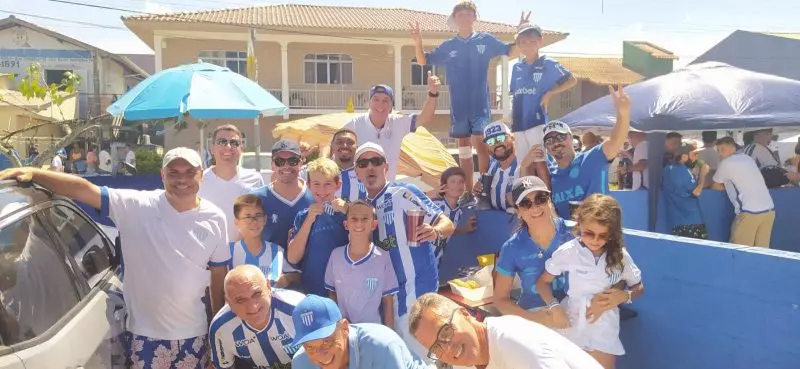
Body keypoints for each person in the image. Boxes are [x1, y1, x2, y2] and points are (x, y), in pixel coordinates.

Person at [0, 147, 231, 368]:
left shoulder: (215, 218)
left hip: (196, 335)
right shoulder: (135, 205)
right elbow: (85, 190)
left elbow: (219, 277)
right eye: (174, 172)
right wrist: (36, 173)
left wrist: (217, 331)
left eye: (190, 172)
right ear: (162, 175)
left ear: (201, 174)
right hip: (144, 337)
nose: (183, 179)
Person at [412, 2, 526, 191]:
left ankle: (485, 189)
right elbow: (423, 60)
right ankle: (467, 192)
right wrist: (417, 41)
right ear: (455, 19)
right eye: (460, 15)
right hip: (459, 106)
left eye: (468, 14)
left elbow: (510, 50)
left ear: (474, 17)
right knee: (464, 148)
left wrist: (520, 31)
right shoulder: (449, 46)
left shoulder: (485, 40)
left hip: (480, 104)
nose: (464, 18)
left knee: (482, 146)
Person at [354, 142, 455, 355]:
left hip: (416, 291)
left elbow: (446, 223)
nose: (370, 167)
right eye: (363, 163)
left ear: (386, 167)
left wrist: (435, 231)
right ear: (357, 171)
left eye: (376, 161)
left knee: (423, 358)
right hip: (386, 299)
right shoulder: (361, 207)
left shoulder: (404, 192)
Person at [536, 194, 644, 369]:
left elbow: (638, 286)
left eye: (603, 236)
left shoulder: (620, 256)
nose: (595, 240)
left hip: (604, 328)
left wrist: (623, 296)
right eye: (589, 233)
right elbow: (542, 283)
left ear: (612, 233)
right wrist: (554, 307)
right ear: (579, 225)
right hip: (571, 323)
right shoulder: (569, 252)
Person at [409, 293, 603, 369]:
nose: (447, 349)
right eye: (436, 347)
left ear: (465, 313)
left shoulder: (514, 341)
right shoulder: (464, 361)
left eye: (445, 332)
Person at [494, 176, 574, 320]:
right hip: (532, 313)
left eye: (540, 199)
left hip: (572, 310)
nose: (535, 207)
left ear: (549, 201)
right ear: (518, 211)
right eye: (526, 203)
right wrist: (535, 317)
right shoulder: (512, 247)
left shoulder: (575, 233)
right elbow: (500, 300)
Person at [545, 86, 631, 218]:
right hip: (568, 238)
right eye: (549, 141)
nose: (556, 143)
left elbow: (615, 140)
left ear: (570, 137)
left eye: (560, 137)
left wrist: (623, 115)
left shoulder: (592, 158)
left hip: (598, 235)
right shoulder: (549, 175)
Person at [509, 21, 575, 185]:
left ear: (540, 41)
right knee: (524, 163)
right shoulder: (516, 67)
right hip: (518, 123)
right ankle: (527, 201)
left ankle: (547, 200)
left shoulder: (548, 63)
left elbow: (572, 80)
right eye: (523, 42)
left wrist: (551, 93)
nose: (528, 45)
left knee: (540, 161)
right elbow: (515, 94)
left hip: (537, 121)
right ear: (519, 45)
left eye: (532, 41)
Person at [342, 75, 440, 181]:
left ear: (391, 107)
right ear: (369, 103)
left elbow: (424, 118)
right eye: (376, 99)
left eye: (385, 100)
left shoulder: (398, 122)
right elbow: (334, 145)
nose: (381, 104)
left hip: (387, 189)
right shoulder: (354, 124)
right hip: (360, 190)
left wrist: (433, 93)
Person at [291, 295, 428, 369]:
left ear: (345, 328)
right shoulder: (300, 363)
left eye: (327, 342)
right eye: (310, 348)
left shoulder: (382, 346)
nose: (320, 355)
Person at [209, 265, 305, 369]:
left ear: (268, 287)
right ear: (229, 302)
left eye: (257, 294)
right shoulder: (220, 329)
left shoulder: (299, 309)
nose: (252, 307)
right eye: (240, 300)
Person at [325, 200, 399, 327]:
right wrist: (337, 323)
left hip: (372, 331)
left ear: (374, 224)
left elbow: (387, 301)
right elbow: (332, 293)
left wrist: (389, 334)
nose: (359, 223)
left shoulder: (382, 257)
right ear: (346, 224)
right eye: (354, 218)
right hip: (344, 330)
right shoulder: (336, 255)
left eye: (365, 218)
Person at [287, 157, 349, 296]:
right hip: (313, 291)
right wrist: (309, 220)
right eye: (316, 184)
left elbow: (365, 241)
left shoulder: (348, 212)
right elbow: (293, 258)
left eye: (327, 184)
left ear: (337, 185)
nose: (322, 190)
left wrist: (348, 211)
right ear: (308, 185)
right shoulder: (302, 216)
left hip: (345, 292)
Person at [199, 124, 265, 240]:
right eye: (221, 142)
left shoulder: (254, 179)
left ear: (241, 149)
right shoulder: (200, 180)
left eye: (234, 143)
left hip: (243, 252)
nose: (228, 147)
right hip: (208, 254)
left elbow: (260, 218)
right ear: (213, 148)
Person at [710, 137, 775, 247]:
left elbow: (715, 186)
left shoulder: (726, 162)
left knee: (739, 252)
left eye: (722, 149)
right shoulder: (747, 158)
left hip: (749, 212)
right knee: (763, 253)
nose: (720, 153)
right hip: (769, 210)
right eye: (718, 151)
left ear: (733, 148)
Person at [251, 140, 315, 248]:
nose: (286, 166)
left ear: (301, 163)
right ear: (272, 165)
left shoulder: (315, 195)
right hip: (269, 264)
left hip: (308, 264)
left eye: (292, 161)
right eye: (280, 161)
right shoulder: (256, 198)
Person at [230, 194, 299, 288]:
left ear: (265, 220)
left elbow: (298, 275)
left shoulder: (277, 251)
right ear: (237, 223)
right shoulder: (229, 252)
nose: (254, 221)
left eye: (258, 216)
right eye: (248, 217)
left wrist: (287, 278)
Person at [472, 121, 544, 212]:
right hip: (496, 220)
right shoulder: (492, 167)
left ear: (512, 138)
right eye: (490, 141)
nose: (497, 144)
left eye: (501, 138)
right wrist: (478, 191)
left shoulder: (526, 161)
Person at [427, 167, 476, 264]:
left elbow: (450, 232)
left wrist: (464, 229)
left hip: (441, 264)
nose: (457, 185)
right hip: (424, 259)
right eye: (453, 181)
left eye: (461, 181)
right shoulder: (433, 204)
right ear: (444, 185)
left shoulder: (462, 213)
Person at [662, 143, 710, 239]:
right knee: (698, 252)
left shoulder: (668, 168)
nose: (696, 158)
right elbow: (696, 192)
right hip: (690, 222)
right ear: (684, 157)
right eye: (694, 155)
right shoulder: (682, 171)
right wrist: (702, 174)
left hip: (677, 221)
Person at [328, 128, 366, 201]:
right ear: (332, 146)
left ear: (357, 147)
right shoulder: (320, 170)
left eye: (350, 142)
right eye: (339, 142)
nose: (345, 145)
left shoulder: (366, 173)